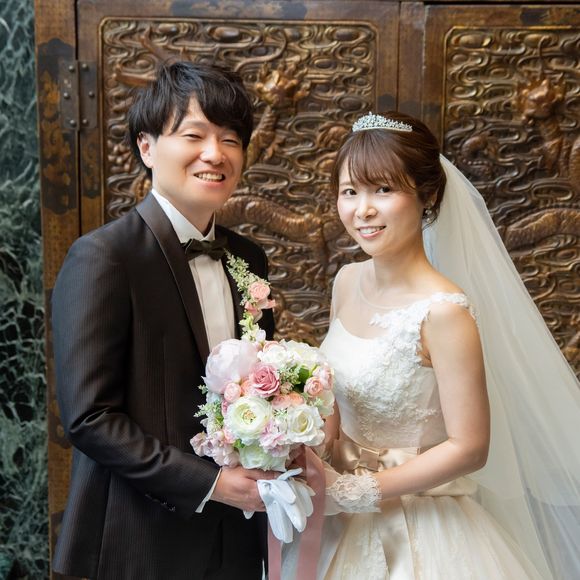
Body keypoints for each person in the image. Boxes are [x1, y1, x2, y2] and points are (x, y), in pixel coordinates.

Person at [283, 111, 579, 579]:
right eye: (350, 191)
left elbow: (470, 446)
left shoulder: (443, 311)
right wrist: (294, 448)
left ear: (428, 195)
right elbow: (334, 397)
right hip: (335, 518)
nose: (363, 210)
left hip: (420, 522)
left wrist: (361, 491)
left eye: (383, 189)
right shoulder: (347, 281)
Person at [51, 61, 276, 580]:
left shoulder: (249, 259)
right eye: (193, 135)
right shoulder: (105, 257)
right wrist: (211, 485)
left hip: (236, 541)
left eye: (230, 139)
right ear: (147, 147)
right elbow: (89, 417)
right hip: (138, 540)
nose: (215, 154)